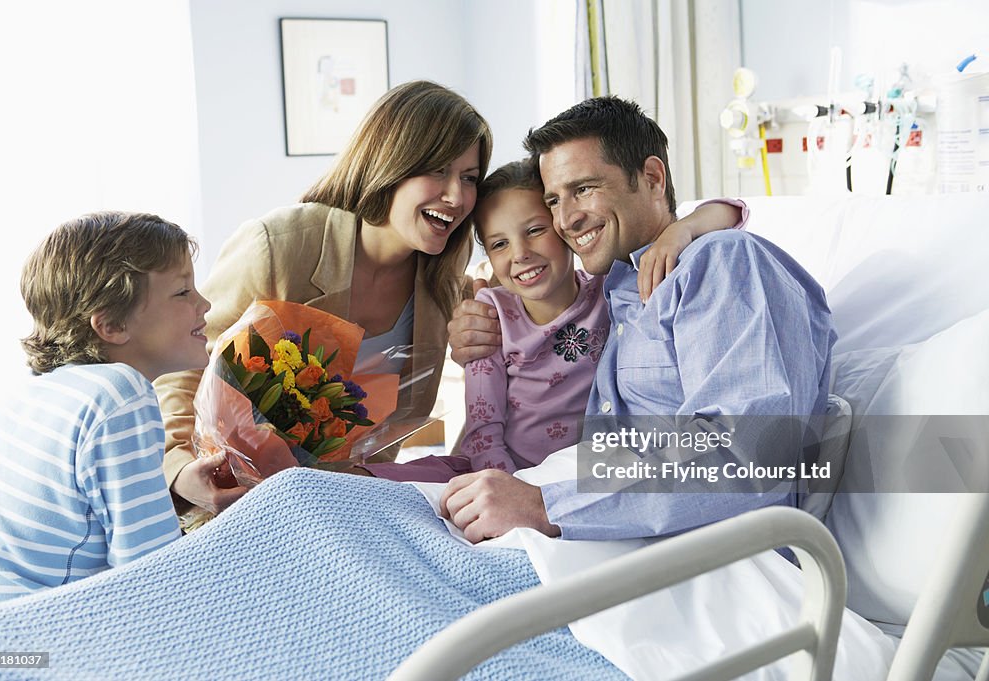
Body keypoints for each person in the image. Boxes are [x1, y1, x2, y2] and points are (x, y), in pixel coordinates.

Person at [441, 97, 836, 544]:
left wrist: (543, 506)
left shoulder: (722, 263)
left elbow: (753, 454)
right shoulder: (616, 288)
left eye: (584, 189)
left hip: (687, 556)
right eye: (554, 199)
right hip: (587, 526)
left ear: (651, 177)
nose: (565, 220)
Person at [154, 80, 494, 516]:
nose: (457, 196)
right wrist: (181, 472)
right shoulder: (278, 246)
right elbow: (183, 365)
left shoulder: (445, 275)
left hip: (338, 508)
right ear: (390, 161)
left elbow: (385, 438)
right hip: (222, 499)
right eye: (438, 171)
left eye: (469, 178)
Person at [363, 159, 745, 482]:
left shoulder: (609, 290)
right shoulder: (491, 316)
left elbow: (732, 210)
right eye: (499, 244)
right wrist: (509, 490)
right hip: (503, 471)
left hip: (583, 476)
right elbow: (483, 433)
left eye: (535, 231)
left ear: (562, 228)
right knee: (384, 485)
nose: (521, 253)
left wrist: (681, 231)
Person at [0, 212, 209, 608]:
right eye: (183, 292)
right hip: (43, 639)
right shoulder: (121, 394)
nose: (205, 303)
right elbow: (155, 577)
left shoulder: (43, 392)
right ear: (111, 325)